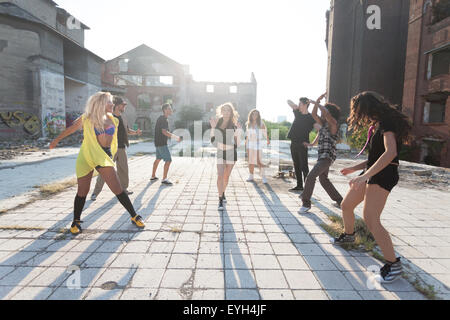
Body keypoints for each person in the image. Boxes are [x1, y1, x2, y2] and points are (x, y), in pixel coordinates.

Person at [333, 91, 411, 283]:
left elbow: (390, 152)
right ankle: (349, 236)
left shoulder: (387, 123)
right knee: (346, 205)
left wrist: (366, 176)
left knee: (371, 219)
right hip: (373, 172)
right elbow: (375, 157)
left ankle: (393, 265)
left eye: (358, 111)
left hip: (384, 175)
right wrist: (355, 169)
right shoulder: (379, 123)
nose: (358, 115)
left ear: (367, 108)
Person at [49, 92, 145, 235]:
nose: (112, 104)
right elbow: (71, 129)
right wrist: (56, 140)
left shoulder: (114, 120)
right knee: (82, 191)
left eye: (112, 102)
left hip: (102, 155)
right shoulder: (87, 118)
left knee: (118, 188)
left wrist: (109, 140)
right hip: (86, 156)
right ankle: (76, 221)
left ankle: (134, 215)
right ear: (100, 103)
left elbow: (109, 142)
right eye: (109, 102)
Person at [299, 92, 343, 213]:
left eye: (325, 112)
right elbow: (313, 114)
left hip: (327, 157)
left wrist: (316, 103)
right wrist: (317, 102)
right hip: (322, 156)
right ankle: (340, 201)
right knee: (323, 180)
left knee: (311, 176)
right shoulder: (323, 125)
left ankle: (306, 203)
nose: (322, 114)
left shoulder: (334, 125)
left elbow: (326, 114)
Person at [91, 96, 142, 201]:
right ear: (118, 106)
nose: (124, 107)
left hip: (122, 148)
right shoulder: (109, 118)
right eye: (123, 105)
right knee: (106, 171)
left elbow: (127, 130)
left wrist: (135, 132)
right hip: (110, 149)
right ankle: (95, 192)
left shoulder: (123, 117)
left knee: (123, 170)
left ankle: (124, 189)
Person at [210, 102, 242, 210]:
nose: (226, 112)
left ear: (231, 112)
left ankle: (223, 192)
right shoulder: (217, 122)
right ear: (221, 112)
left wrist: (238, 131)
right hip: (220, 152)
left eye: (228, 110)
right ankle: (220, 199)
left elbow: (238, 143)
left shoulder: (234, 124)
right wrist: (213, 128)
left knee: (226, 177)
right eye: (224, 110)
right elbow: (212, 140)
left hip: (231, 153)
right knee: (220, 175)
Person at [287, 97, 316, 191]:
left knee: (304, 165)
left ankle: (307, 188)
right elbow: (288, 101)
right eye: (298, 104)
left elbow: (320, 129)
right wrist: (296, 106)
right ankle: (299, 186)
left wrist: (313, 143)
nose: (299, 105)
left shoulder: (311, 117)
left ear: (305, 105)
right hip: (293, 142)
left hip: (303, 144)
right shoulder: (297, 113)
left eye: (300, 104)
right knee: (296, 164)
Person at [150, 103, 181, 185]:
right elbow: (164, 131)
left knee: (158, 159)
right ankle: (164, 179)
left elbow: (163, 131)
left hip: (158, 142)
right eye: (169, 108)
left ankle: (153, 176)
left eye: (171, 108)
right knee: (168, 160)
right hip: (161, 143)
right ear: (165, 110)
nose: (171, 110)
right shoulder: (163, 119)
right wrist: (175, 137)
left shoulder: (162, 118)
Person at [245, 109, 270, 184]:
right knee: (251, 161)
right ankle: (251, 176)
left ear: (258, 115)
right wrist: (246, 143)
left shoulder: (261, 123)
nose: (255, 115)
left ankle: (263, 177)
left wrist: (268, 140)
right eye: (253, 114)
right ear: (251, 115)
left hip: (258, 144)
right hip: (250, 144)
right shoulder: (248, 123)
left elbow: (265, 132)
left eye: (256, 114)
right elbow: (247, 134)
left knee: (259, 161)